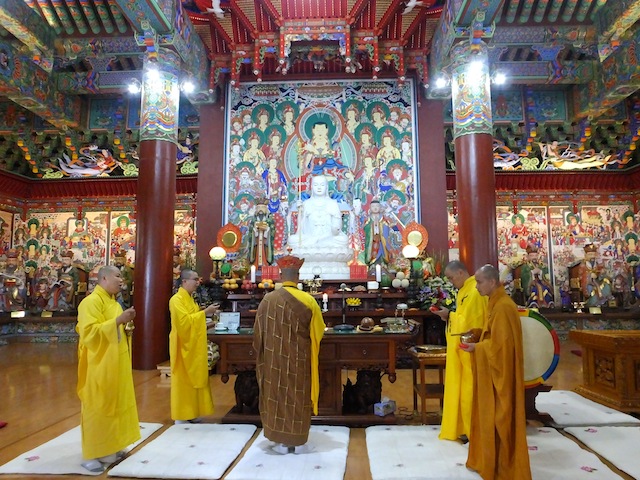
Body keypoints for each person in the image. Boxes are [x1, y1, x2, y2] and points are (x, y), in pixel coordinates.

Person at [460, 264, 531, 480]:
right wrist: (478, 334)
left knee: (500, 417)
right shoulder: (494, 302)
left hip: (502, 375)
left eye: (479, 282)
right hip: (492, 370)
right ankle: (487, 460)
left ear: (492, 282)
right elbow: (494, 336)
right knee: (487, 417)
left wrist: (477, 348)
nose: (477, 286)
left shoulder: (504, 307)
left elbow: (502, 349)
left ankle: (502, 465)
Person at [253, 254, 325, 454]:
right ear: (298, 276)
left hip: (273, 360)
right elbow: (318, 332)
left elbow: (258, 333)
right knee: (297, 396)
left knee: (276, 396)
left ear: (280, 275)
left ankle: (279, 441)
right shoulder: (308, 300)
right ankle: (297, 442)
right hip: (299, 359)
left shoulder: (268, 300)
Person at [76, 266, 138, 473]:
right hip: (99, 364)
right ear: (103, 278)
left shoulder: (114, 303)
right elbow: (89, 333)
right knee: (98, 406)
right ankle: (90, 454)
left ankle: (111, 447)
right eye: (118, 276)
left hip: (117, 361)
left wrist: (125, 325)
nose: (122, 280)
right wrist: (118, 321)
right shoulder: (90, 302)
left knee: (116, 404)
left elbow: (117, 330)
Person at [431, 260, 487, 443]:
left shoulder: (475, 292)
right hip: (463, 349)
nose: (450, 282)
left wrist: (449, 315)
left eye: (451, 278)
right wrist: (449, 316)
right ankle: (464, 428)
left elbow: (473, 324)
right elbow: (463, 318)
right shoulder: (465, 290)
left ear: (461, 273)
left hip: (471, 349)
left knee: (470, 391)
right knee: (462, 390)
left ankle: (474, 432)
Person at [169, 269, 220, 424]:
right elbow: (184, 323)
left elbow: (193, 319)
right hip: (182, 345)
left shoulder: (191, 299)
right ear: (184, 281)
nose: (198, 283)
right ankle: (181, 415)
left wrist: (208, 318)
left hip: (193, 345)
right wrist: (205, 313)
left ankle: (193, 412)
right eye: (195, 279)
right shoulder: (176, 300)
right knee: (184, 381)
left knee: (196, 379)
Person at [288, 175, 349, 249]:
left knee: (343, 240)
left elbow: (337, 227)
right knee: (292, 240)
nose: (319, 187)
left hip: (328, 238)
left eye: (322, 185)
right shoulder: (306, 203)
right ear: (312, 187)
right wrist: (300, 212)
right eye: (316, 185)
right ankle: (316, 243)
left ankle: (317, 243)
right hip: (310, 237)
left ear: (326, 187)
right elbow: (301, 227)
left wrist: (335, 229)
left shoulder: (332, 203)